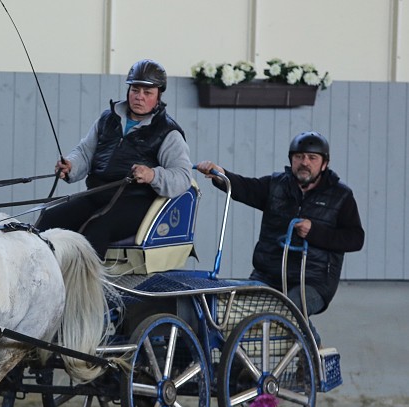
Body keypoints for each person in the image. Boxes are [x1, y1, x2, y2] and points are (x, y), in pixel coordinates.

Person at [196, 131, 365, 343]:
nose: (304, 162)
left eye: (312, 158)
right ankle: (242, 370)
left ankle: (312, 353)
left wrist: (315, 232)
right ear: (291, 160)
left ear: (324, 164)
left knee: (288, 308)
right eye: (299, 157)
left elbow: (355, 238)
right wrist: (221, 176)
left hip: (313, 280)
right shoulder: (276, 185)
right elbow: (245, 188)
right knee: (234, 313)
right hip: (267, 274)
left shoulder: (341, 196)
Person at [35, 59, 193, 257]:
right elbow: (85, 152)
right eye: (135, 90)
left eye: (147, 93)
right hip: (97, 194)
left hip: (135, 202)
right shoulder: (107, 119)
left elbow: (183, 177)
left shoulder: (168, 132)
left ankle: (88, 288)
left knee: (95, 229)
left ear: (159, 95)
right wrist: (71, 165)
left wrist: (153, 174)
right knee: (49, 219)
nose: (139, 97)